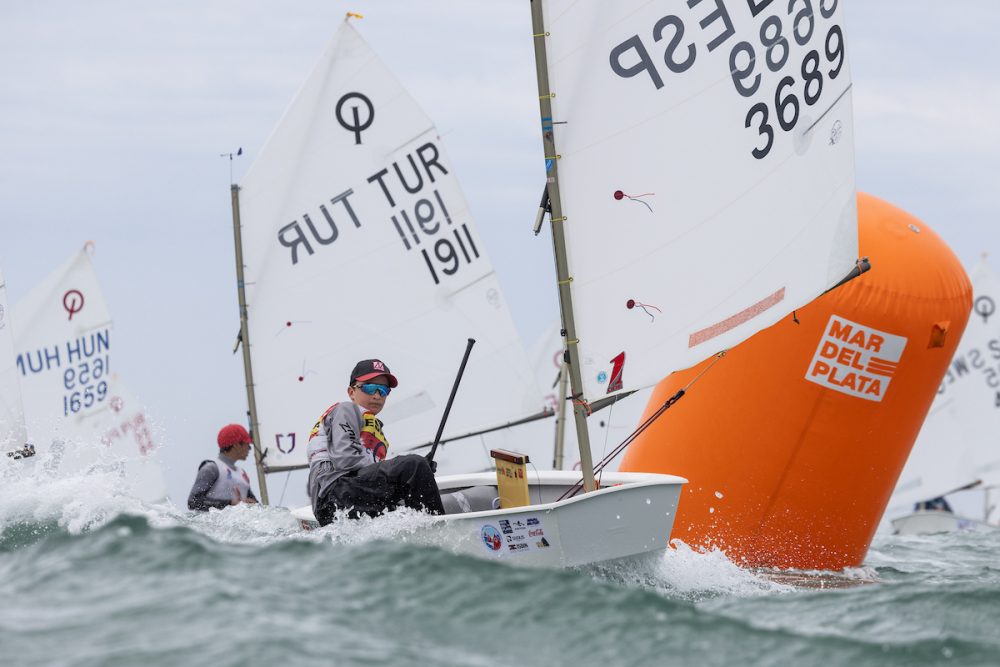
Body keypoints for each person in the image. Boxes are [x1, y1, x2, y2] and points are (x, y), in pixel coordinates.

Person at [306, 359, 444, 525]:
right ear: (351, 392)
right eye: (370, 388)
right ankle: (439, 530)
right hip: (332, 496)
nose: (377, 395)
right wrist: (411, 469)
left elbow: (373, 475)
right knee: (413, 465)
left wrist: (420, 474)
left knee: (417, 472)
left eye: (384, 390)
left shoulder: (373, 428)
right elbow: (346, 460)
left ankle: (422, 529)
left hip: (351, 496)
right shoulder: (346, 410)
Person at [187, 423, 259, 511]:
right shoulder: (211, 468)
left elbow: (255, 504)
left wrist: (253, 506)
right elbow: (193, 502)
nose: (250, 449)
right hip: (209, 524)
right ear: (236, 445)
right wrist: (228, 504)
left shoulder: (242, 474)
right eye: (247, 444)